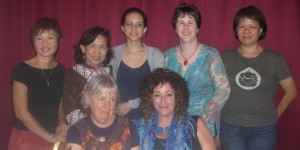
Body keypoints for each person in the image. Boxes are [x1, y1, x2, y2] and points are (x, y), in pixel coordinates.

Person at [220, 6, 297, 150]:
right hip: (231, 127)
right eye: (242, 26)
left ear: (260, 30)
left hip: (264, 129)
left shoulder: (275, 59)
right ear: (236, 30)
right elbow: (215, 91)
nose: (246, 31)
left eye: (252, 26)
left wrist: (275, 114)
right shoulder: (223, 58)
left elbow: (291, 91)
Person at [164, 2, 230, 141]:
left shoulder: (211, 54)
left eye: (191, 22)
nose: (186, 27)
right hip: (174, 123)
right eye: (181, 22)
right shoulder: (167, 56)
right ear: (175, 28)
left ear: (198, 27)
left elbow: (224, 89)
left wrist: (204, 118)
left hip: (205, 124)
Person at [8, 17, 68, 150]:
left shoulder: (61, 70)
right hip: (26, 138)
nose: (44, 43)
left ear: (59, 41)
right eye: (39, 38)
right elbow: (21, 112)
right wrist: (49, 137)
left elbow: (60, 103)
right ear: (33, 41)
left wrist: (62, 121)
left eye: (50, 38)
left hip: (54, 135)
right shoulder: (22, 70)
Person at [136, 68, 216, 150]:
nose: (163, 101)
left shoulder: (195, 124)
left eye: (169, 95)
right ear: (150, 98)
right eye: (157, 95)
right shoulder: (141, 128)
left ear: (178, 97)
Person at [110, 7, 164, 120]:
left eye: (139, 24)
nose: (134, 28)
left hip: (149, 118)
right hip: (119, 119)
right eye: (129, 24)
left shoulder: (155, 55)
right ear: (123, 28)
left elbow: (159, 89)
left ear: (144, 29)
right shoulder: (113, 54)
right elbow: (106, 86)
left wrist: (131, 104)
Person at [65, 74, 140, 150]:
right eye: (102, 99)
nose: (107, 105)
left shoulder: (128, 127)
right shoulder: (76, 131)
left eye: (112, 100)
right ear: (88, 99)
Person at [62, 26, 113, 126]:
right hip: (82, 127)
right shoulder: (73, 74)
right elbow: (70, 111)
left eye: (102, 47)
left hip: (108, 125)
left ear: (107, 50)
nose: (97, 51)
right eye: (92, 46)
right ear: (83, 48)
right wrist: (96, 124)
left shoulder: (109, 72)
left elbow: (113, 104)